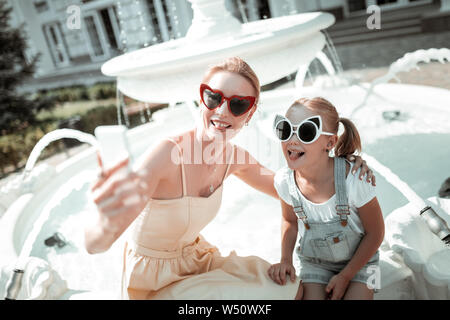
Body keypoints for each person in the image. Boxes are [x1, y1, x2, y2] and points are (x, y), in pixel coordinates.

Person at [84, 57, 375, 299]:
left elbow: (293, 188)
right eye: (214, 97)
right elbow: (94, 245)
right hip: (151, 282)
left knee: (289, 289)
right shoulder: (166, 154)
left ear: (249, 115)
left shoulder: (233, 157)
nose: (222, 110)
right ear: (201, 98)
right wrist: (107, 220)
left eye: (238, 104)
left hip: (197, 263)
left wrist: (338, 164)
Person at [268, 97, 384, 300]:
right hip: (315, 263)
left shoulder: (355, 180)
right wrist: (285, 259)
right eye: (286, 129)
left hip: (365, 264)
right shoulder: (285, 181)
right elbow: (289, 221)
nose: (292, 140)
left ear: (330, 142)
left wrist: (346, 276)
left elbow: (376, 233)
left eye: (306, 132)